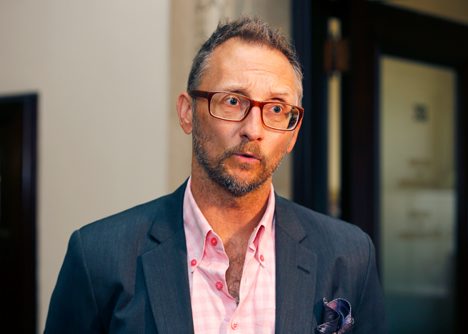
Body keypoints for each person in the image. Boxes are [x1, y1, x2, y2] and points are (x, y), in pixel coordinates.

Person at [45, 17, 386, 334]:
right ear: (187, 113)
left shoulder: (349, 255)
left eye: (277, 109)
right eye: (233, 101)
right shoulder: (98, 258)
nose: (253, 130)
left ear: (292, 134)